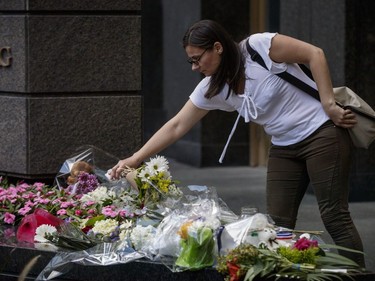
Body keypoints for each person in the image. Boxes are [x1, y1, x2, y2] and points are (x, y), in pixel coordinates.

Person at [110, 19, 365, 267]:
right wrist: (135, 158)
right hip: (284, 147)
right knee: (276, 225)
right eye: (191, 61)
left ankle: (358, 273)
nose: (194, 67)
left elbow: (314, 53)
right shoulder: (213, 87)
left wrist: (328, 103)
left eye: (197, 59)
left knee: (334, 216)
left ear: (218, 48)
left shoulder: (259, 47)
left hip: (322, 132)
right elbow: (176, 125)